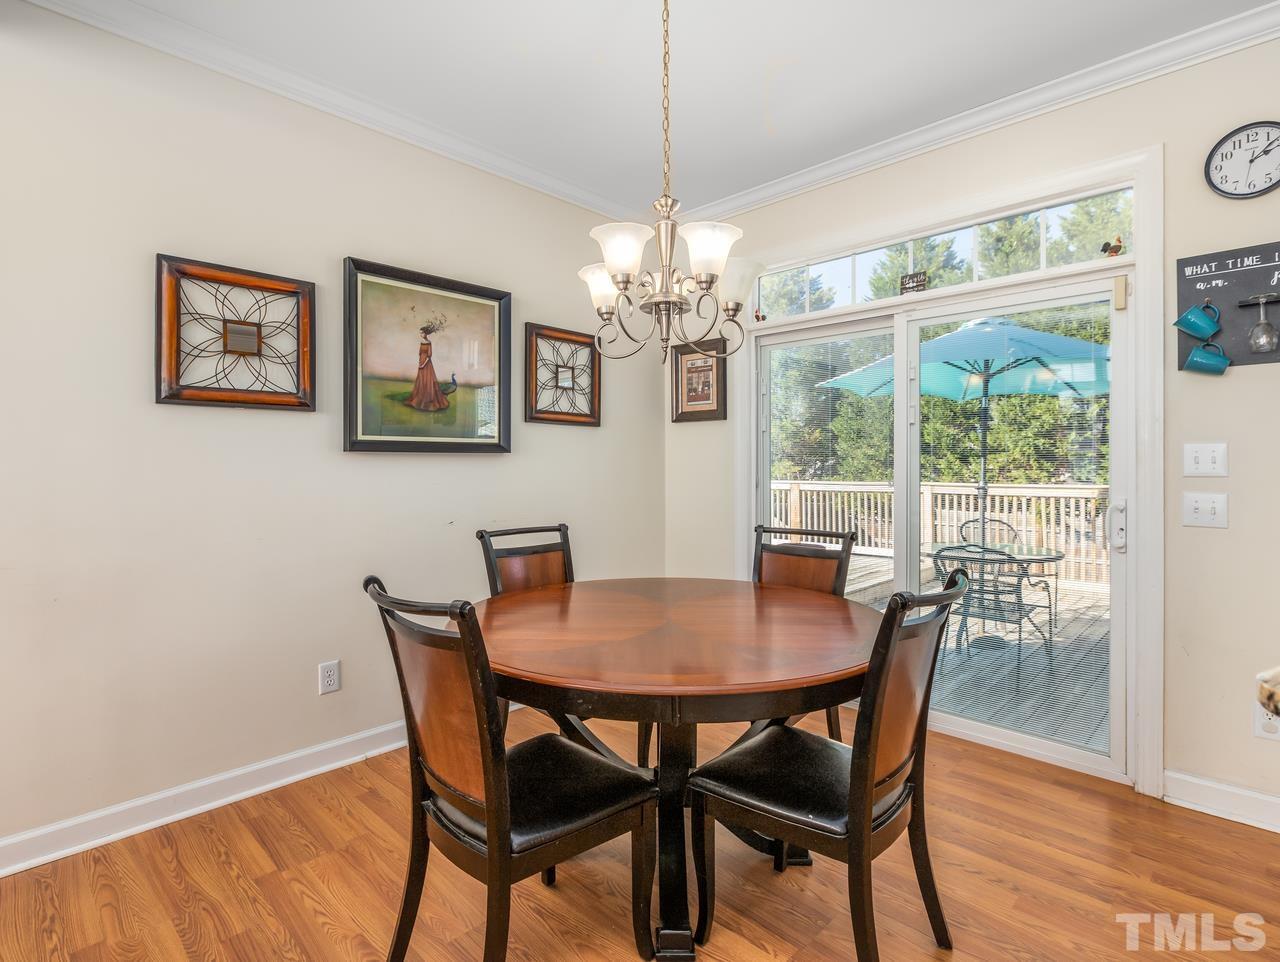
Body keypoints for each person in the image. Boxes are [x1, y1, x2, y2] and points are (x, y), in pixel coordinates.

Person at [406, 326, 449, 411]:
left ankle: (427, 401)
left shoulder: (429, 342)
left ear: (426, 333)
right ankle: (419, 398)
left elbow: (429, 356)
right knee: (421, 381)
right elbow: (420, 353)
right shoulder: (421, 342)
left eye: (422, 333)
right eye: (420, 333)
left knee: (428, 381)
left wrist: (423, 365)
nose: (421, 334)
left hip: (427, 364)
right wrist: (420, 363)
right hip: (421, 362)